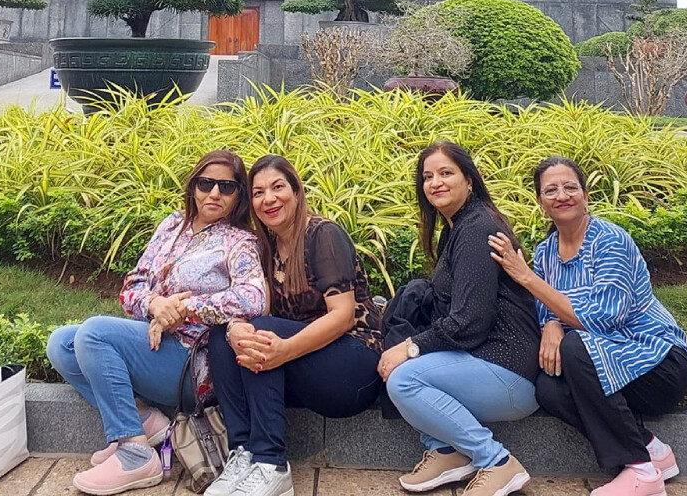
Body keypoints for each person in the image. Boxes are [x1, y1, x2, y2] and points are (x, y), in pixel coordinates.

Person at [47, 150, 267, 495]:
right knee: (61, 343)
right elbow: (132, 285)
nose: (214, 193)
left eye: (226, 187)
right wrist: (156, 305)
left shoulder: (240, 242)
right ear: (193, 186)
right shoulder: (172, 225)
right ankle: (146, 423)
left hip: (194, 361)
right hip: (156, 345)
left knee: (94, 334)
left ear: (239, 194)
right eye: (206, 183)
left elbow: (253, 297)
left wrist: (186, 309)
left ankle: (135, 453)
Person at [488, 156, 687, 496]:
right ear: (541, 201)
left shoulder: (610, 241)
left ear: (585, 195)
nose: (562, 195)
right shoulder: (546, 252)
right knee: (548, 388)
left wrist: (527, 278)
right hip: (607, 369)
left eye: (570, 187)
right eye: (551, 190)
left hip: (657, 364)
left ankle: (640, 470)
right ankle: (652, 450)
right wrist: (550, 325)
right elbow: (545, 309)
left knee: (575, 346)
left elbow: (602, 318)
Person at [205, 155, 384, 496]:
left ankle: (271, 463)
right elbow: (258, 309)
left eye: (278, 187)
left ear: (297, 191)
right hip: (306, 362)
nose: (268, 199)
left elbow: (343, 316)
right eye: (258, 193)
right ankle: (242, 453)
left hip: (354, 365)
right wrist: (235, 328)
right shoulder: (267, 247)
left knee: (261, 334)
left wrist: (284, 350)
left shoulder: (323, 235)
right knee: (224, 334)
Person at [380, 142, 539, 496]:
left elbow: (470, 321)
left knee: (404, 380)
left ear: (469, 179)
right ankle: (447, 452)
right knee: (397, 367)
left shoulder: (477, 228)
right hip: (482, 360)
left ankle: (496, 461)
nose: (435, 182)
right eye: (428, 176)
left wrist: (411, 346)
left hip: (509, 371)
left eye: (446, 173)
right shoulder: (456, 228)